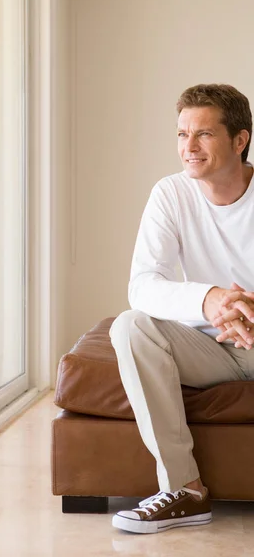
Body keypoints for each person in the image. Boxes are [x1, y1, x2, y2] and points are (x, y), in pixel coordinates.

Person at [110, 83, 254, 534]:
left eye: (204, 135)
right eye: (181, 134)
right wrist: (209, 300)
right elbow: (143, 285)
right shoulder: (170, 194)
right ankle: (186, 492)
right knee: (130, 327)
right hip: (211, 346)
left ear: (239, 140)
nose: (188, 147)